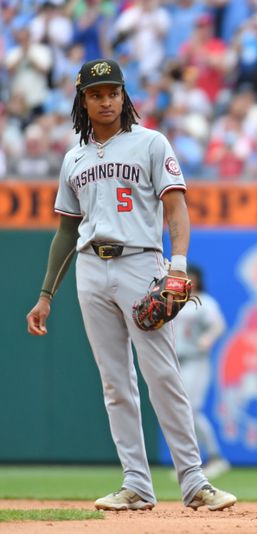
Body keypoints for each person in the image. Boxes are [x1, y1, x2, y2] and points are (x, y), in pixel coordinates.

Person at [25, 58, 237, 512]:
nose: (106, 100)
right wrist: (46, 295)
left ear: (125, 96)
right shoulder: (74, 158)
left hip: (140, 262)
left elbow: (176, 209)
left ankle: (195, 481)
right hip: (89, 266)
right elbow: (66, 230)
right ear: (83, 101)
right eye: (96, 94)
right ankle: (137, 484)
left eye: (113, 92)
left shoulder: (151, 143)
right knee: (115, 383)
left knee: (162, 374)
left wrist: (177, 265)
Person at [173, 264, 230, 479]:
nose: (189, 281)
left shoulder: (205, 302)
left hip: (195, 360)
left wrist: (208, 338)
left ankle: (215, 457)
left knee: (191, 409)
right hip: (174, 361)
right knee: (179, 412)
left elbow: (218, 325)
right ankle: (189, 463)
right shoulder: (171, 300)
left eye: (192, 277)